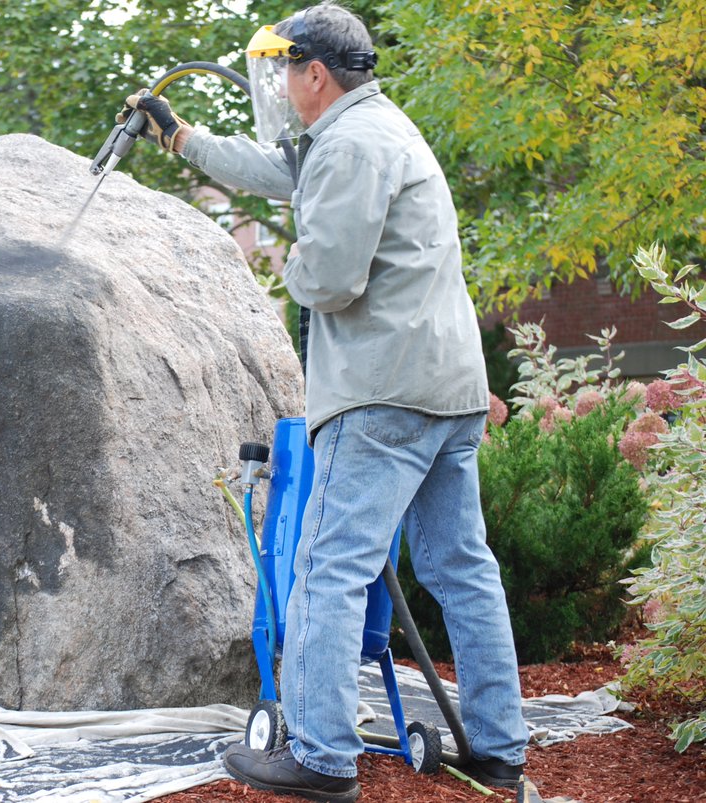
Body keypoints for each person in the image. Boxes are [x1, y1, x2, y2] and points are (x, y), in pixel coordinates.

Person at [121, 3, 530, 801]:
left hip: (382, 393)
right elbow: (281, 172)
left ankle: (320, 755)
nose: (278, 84)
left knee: (325, 566)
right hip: (445, 390)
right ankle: (498, 746)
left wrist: (288, 270)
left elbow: (331, 279)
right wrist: (181, 138)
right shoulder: (382, 130)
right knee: (461, 568)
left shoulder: (347, 146)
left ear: (315, 73)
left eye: (285, 70)